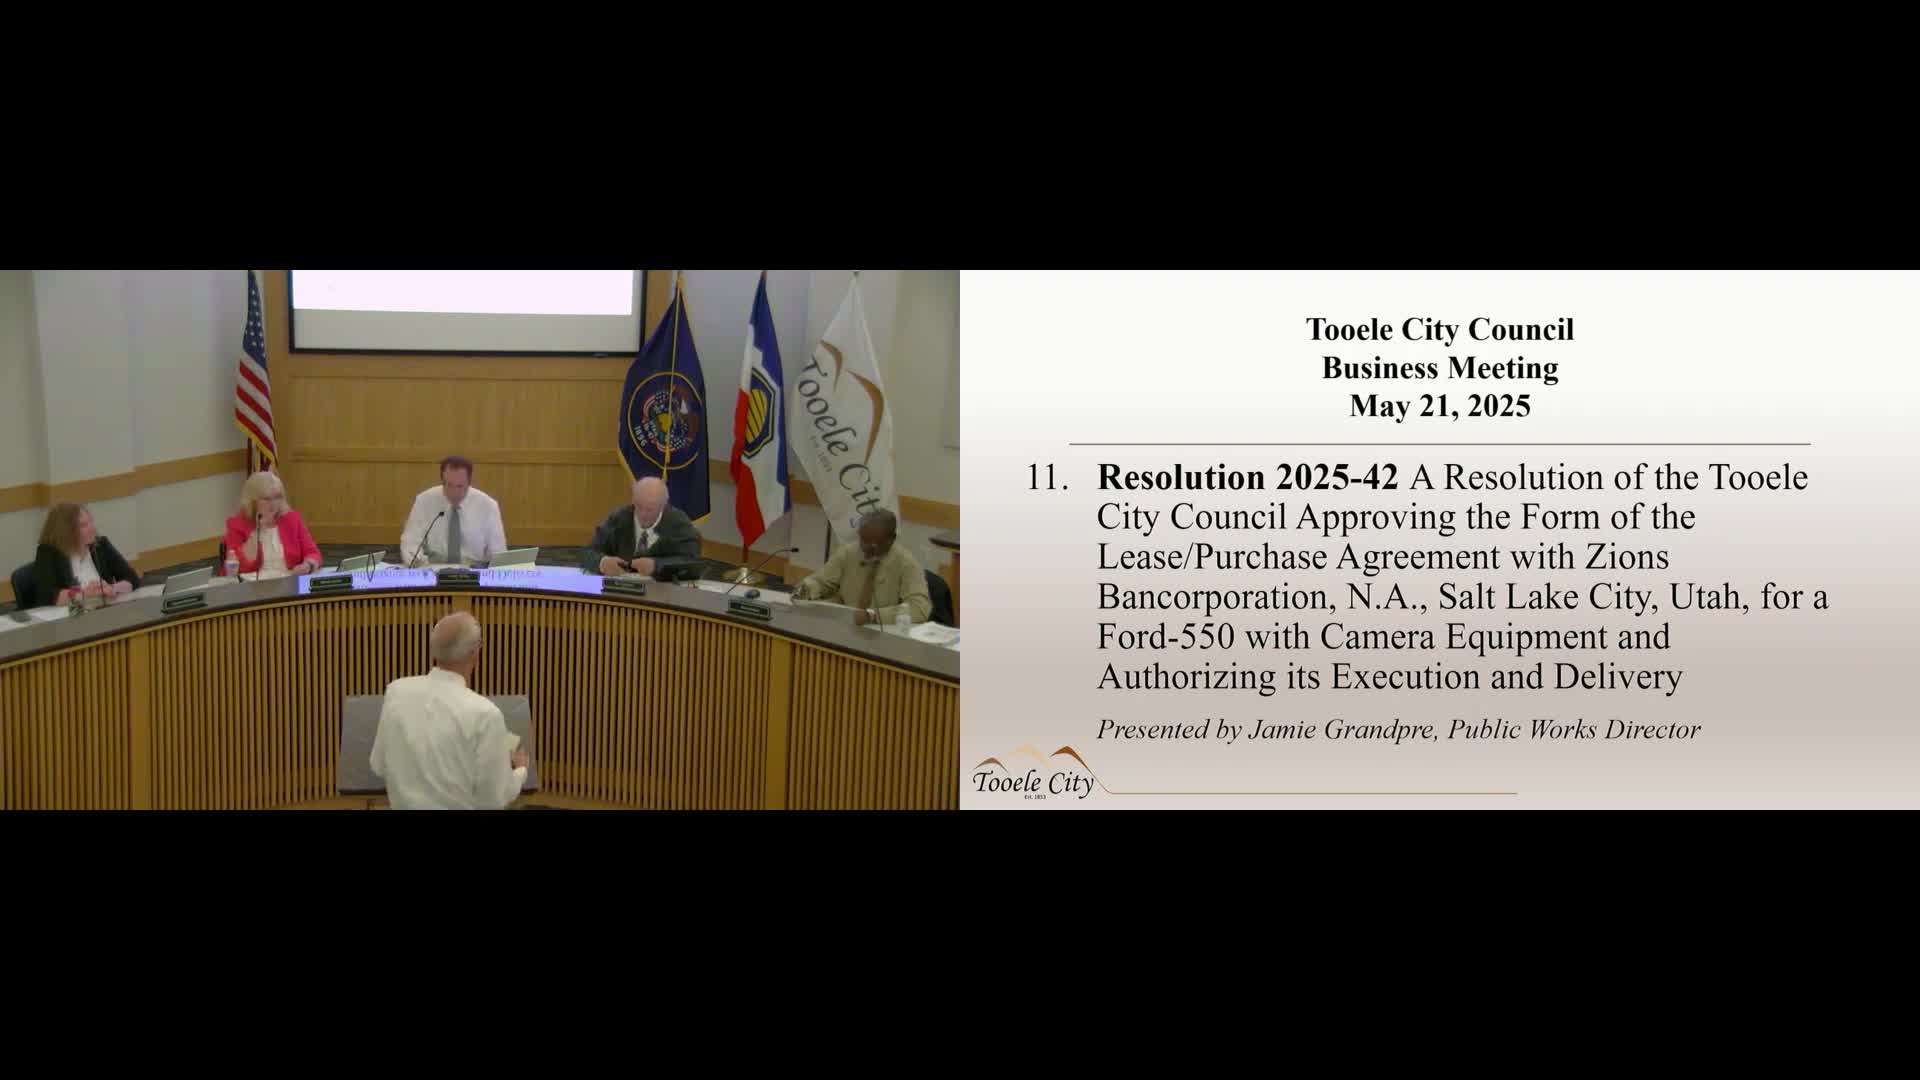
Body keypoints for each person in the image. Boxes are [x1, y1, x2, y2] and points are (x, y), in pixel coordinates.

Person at [369, 612, 529, 810]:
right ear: (475, 653)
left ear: (433, 649)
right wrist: (520, 771)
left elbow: (378, 765)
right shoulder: (486, 714)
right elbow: (493, 800)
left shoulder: (396, 691)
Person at [792, 510, 931, 625]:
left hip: (883, 629)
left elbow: (919, 608)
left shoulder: (907, 563)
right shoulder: (848, 553)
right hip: (846, 624)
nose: (866, 547)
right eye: (863, 540)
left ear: (892, 539)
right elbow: (822, 581)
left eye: (875, 543)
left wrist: (873, 615)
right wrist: (805, 589)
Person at [584, 476, 702, 579]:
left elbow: (692, 564)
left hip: (662, 592)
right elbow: (587, 553)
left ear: (663, 506)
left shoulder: (679, 523)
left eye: (650, 509)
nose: (643, 514)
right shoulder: (618, 518)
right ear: (633, 501)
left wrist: (657, 566)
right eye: (639, 506)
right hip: (620, 590)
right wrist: (602, 562)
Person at [401, 455, 507, 567]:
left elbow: (498, 553)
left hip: (473, 571)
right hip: (432, 568)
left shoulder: (488, 506)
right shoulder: (424, 501)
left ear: (469, 483)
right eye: (449, 485)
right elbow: (410, 542)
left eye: (460, 486)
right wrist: (418, 564)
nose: (453, 492)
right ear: (442, 481)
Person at [30, 502, 140, 608]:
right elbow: (46, 596)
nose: (92, 528)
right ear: (65, 531)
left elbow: (132, 578)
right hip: (72, 616)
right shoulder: (48, 552)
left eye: (91, 522)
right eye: (83, 525)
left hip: (106, 610)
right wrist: (84, 593)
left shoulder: (101, 545)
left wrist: (112, 588)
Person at [220, 471, 323, 579]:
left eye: (277, 497)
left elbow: (313, 553)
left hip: (289, 579)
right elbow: (237, 569)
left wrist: (308, 565)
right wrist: (258, 530)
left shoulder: (291, 519)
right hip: (254, 583)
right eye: (266, 499)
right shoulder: (237, 525)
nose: (273, 504)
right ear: (252, 501)